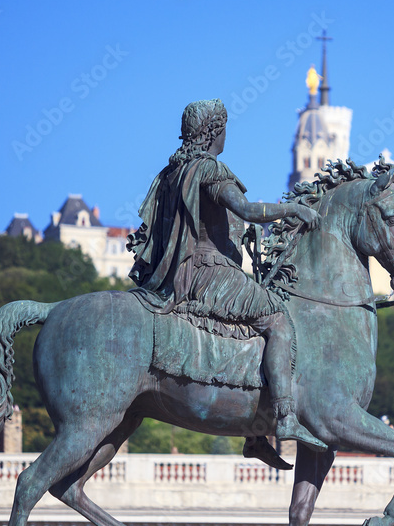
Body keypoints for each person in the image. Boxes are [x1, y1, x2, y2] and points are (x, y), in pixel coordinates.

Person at [127, 99, 325, 451]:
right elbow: (247, 210)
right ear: (214, 132)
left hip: (177, 273)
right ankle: (285, 417)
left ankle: (255, 431)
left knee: (250, 325)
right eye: (223, 129)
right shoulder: (208, 170)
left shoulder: (172, 172)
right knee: (278, 320)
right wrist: (293, 208)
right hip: (207, 271)